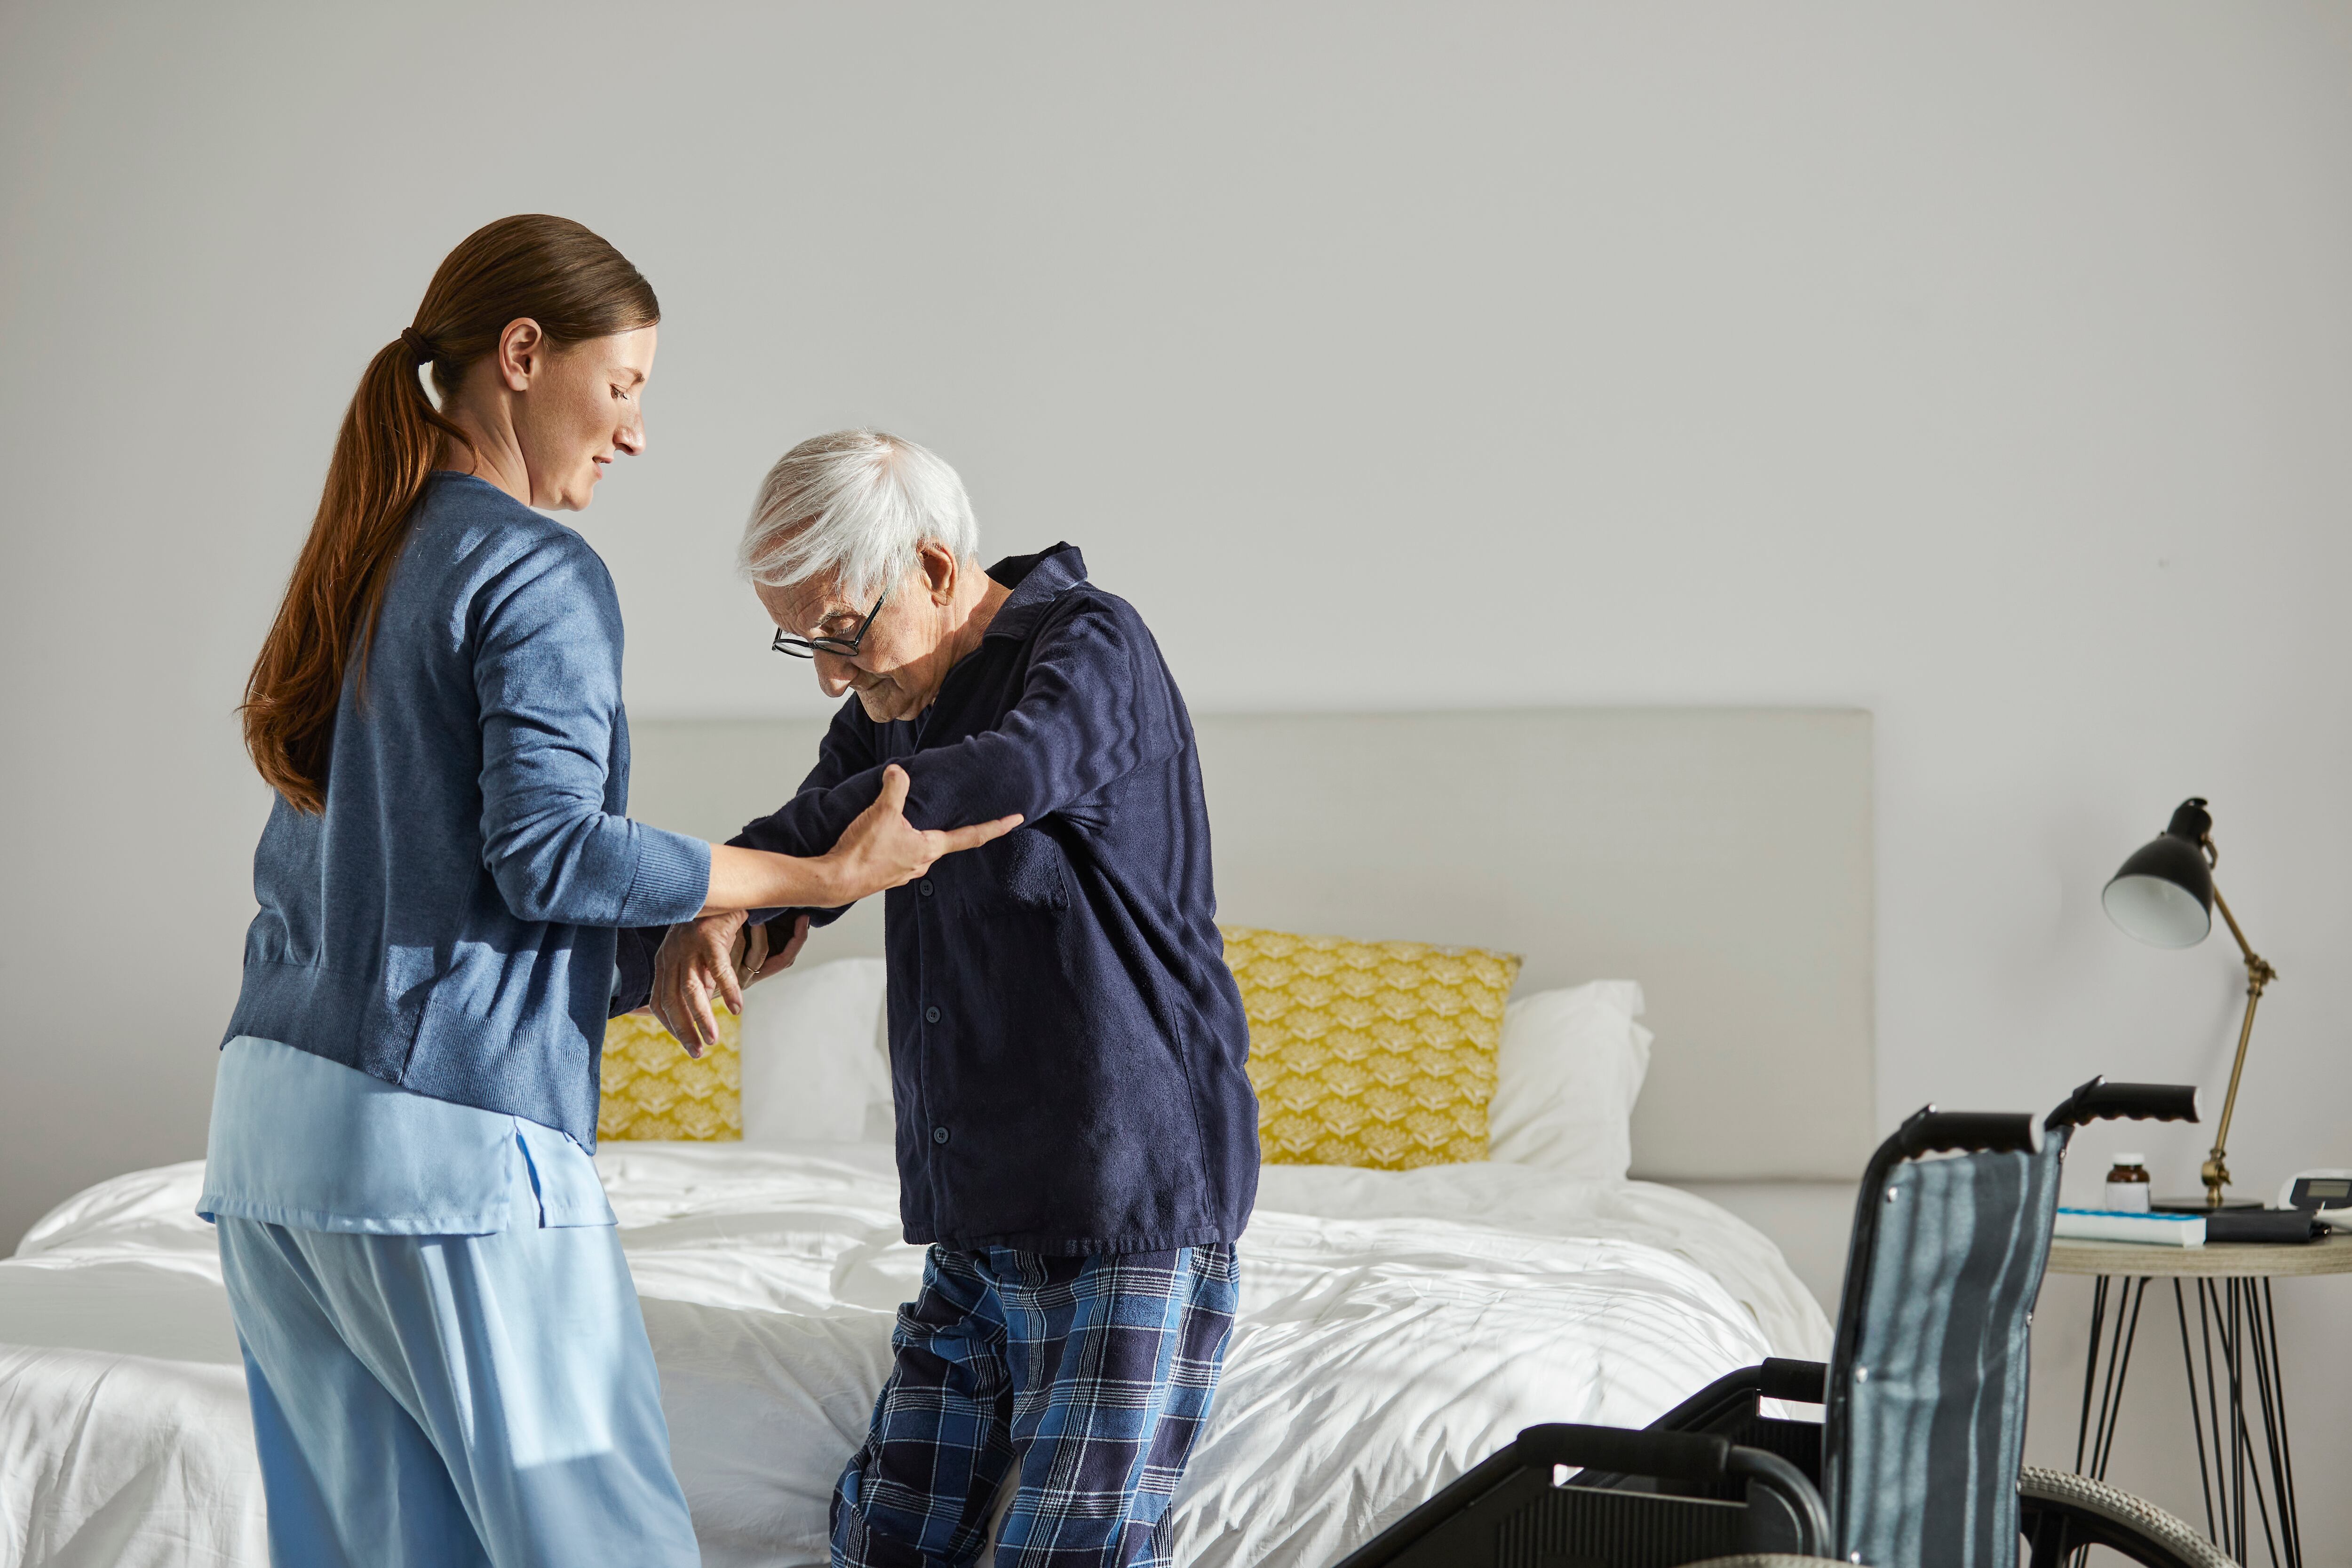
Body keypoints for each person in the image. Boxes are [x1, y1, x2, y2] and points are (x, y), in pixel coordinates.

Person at [207, 220, 1016, 1568]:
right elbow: (555, 852)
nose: (636, 432)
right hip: (443, 1148)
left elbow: (430, 899)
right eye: (628, 383)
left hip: (271, 1141)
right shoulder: (533, 567)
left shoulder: (359, 557)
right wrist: (815, 873)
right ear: (524, 356)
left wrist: (656, 958)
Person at [638, 430, 1258, 1568]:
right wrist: (725, 903)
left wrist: (808, 871)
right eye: (803, 642)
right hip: (974, 1217)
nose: (832, 673)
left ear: (931, 567)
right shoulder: (888, 700)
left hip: (1127, 1201)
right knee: (881, 1539)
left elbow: (1012, 770)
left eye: (843, 631)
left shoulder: (1089, 641)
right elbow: (811, 826)